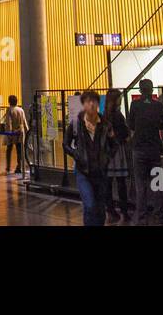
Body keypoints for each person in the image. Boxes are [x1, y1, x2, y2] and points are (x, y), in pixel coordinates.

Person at [63, 89, 110, 226]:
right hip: (83, 171)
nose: (91, 104)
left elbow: (113, 143)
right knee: (89, 205)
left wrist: (107, 157)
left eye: (94, 101)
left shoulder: (105, 124)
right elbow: (65, 144)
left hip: (100, 172)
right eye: (88, 101)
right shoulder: (76, 124)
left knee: (100, 208)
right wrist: (76, 154)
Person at [128, 79, 163, 225]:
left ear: (140, 91)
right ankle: (159, 216)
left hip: (138, 149)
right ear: (152, 90)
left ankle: (141, 217)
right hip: (155, 151)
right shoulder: (158, 106)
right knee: (157, 185)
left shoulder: (135, 105)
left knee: (140, 185)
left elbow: (131, 124)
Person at [104, 89, 132, 222]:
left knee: (108, 183)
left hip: (107, 153)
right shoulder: (117, 115)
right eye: (119, 97)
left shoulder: (105, 115)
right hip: (117, 151)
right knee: (121, 183)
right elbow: (125, 134)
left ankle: (110, 210)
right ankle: (124, 212)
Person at [3, 94, 27, 175]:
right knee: (19, 150)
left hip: (13, 133)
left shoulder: (9, 110)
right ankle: (19, 166)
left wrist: (9, 133)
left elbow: (8, 122)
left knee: (9, 150)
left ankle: (8, 166)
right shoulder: (21, 110)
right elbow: (24, 121)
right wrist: (27, 131)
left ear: (9, 101)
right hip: (20, 132)